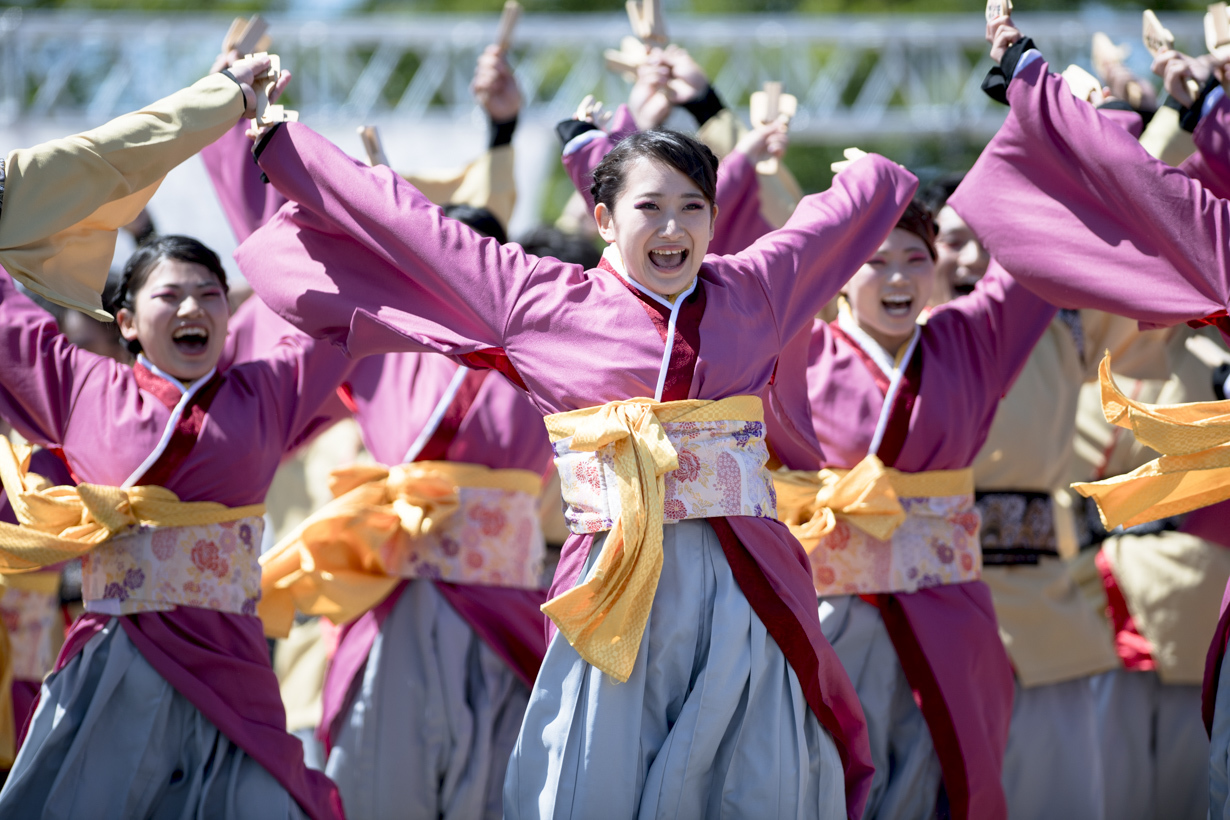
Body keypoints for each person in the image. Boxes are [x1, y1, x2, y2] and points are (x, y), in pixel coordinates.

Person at [234, 99, 917, 816]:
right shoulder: (541, 301)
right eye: (649, 207)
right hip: (615, 583)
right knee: (596, 782)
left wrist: (871, 177)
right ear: (603, 222)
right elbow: (421, 232)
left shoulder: (755, 290)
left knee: (755, 777)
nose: (673, 227)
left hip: (744, 576)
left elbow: (824, 230)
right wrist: (289, 145)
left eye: (693, 208)